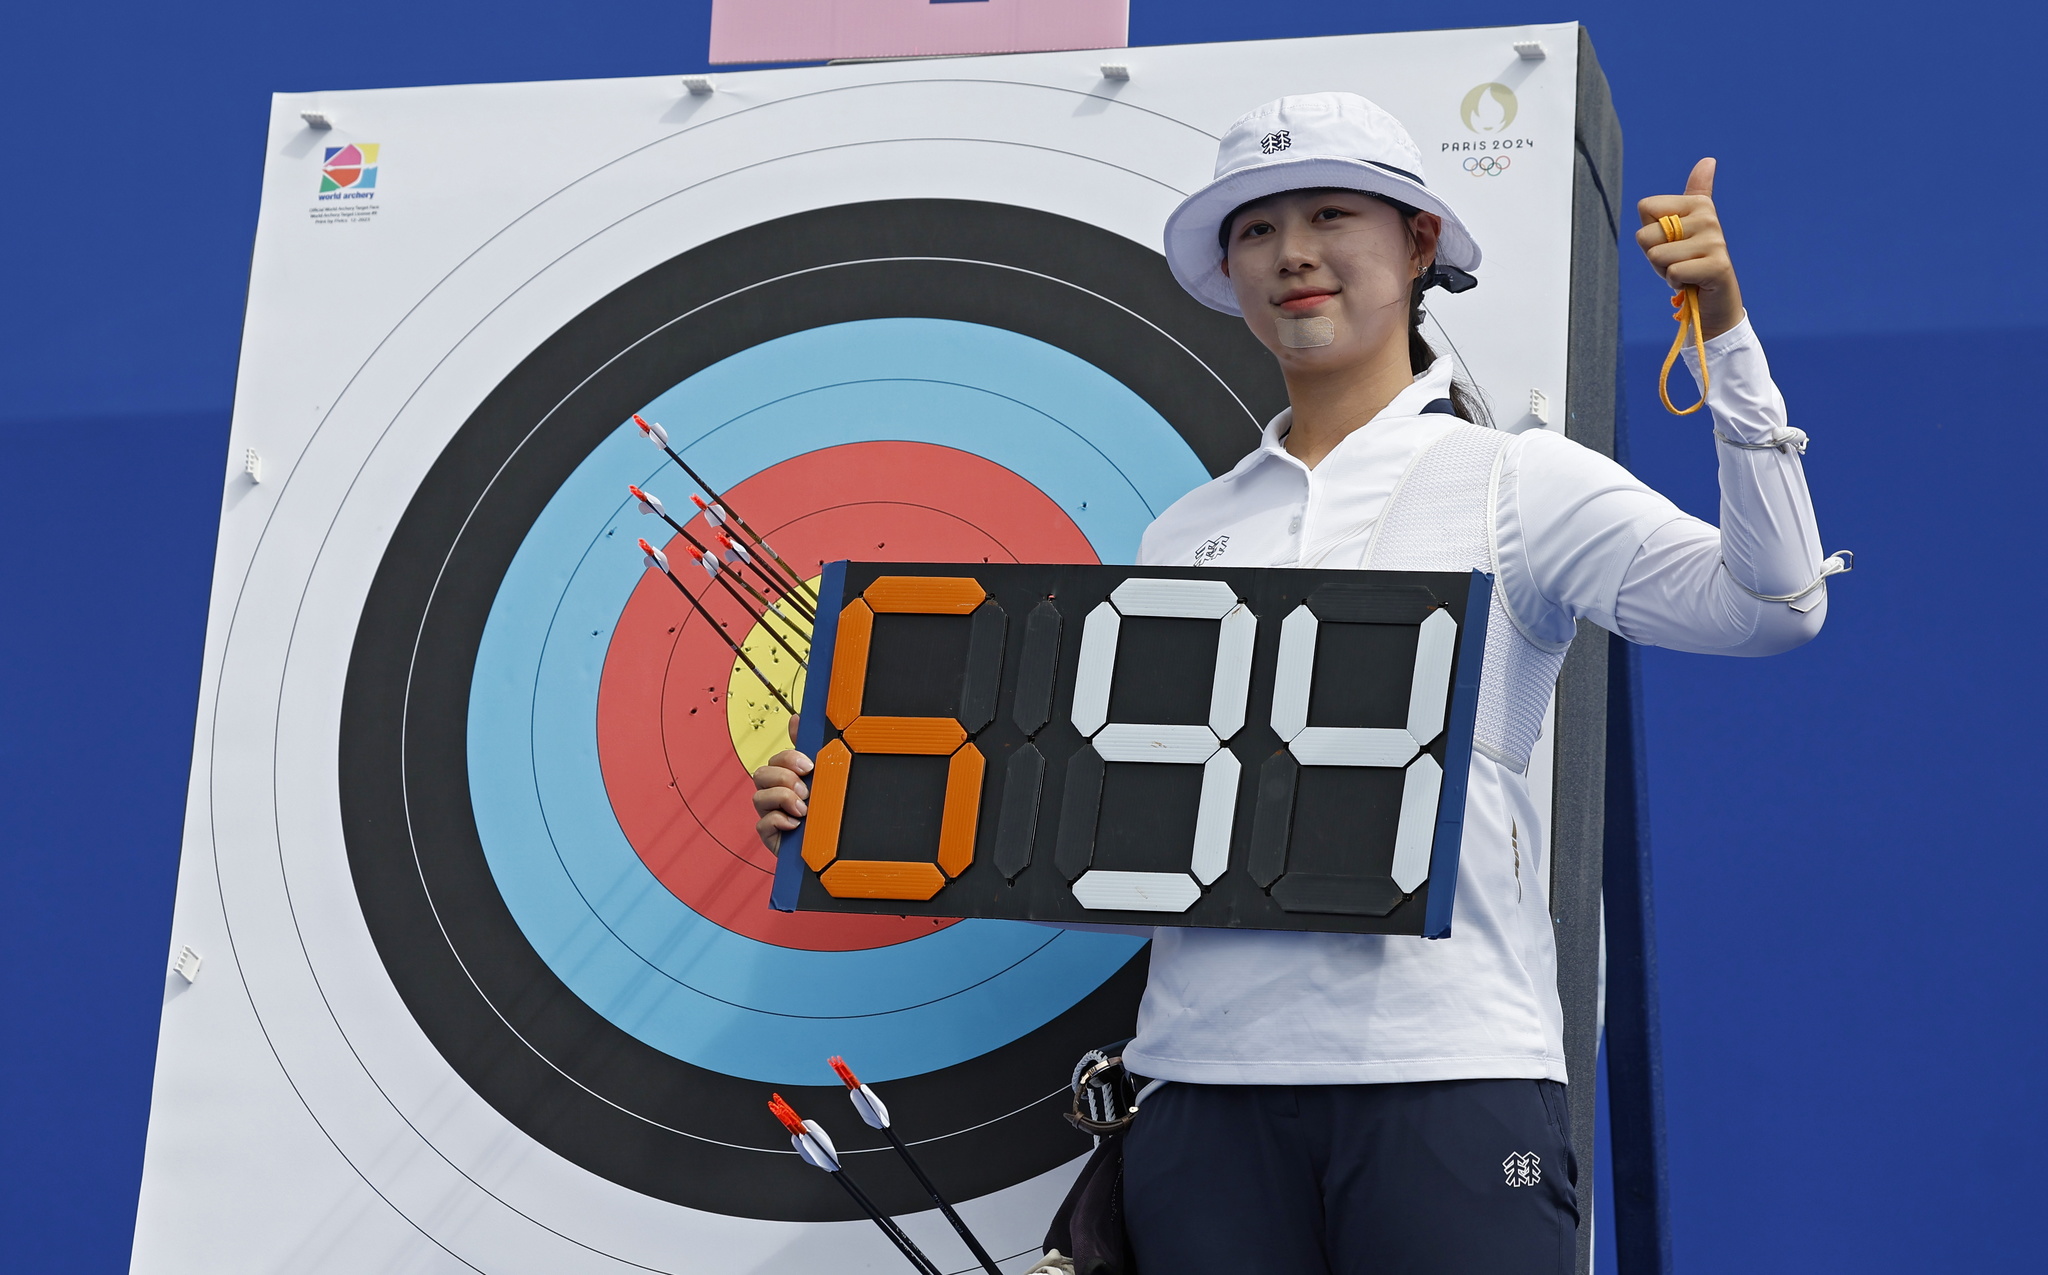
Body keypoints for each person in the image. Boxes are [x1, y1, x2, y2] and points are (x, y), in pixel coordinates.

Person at [753, 92, 1838, 1275]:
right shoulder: (1184, 530)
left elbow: (1772, 605)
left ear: (1417, 244)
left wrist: (1725, 340)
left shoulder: (1516, 481)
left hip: (1446, 1074)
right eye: (1256, 229)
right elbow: (1122, 843)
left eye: (1329, 215)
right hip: (1199, 1095)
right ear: (1228, 271)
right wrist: (863, 809)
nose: (1292, 254)